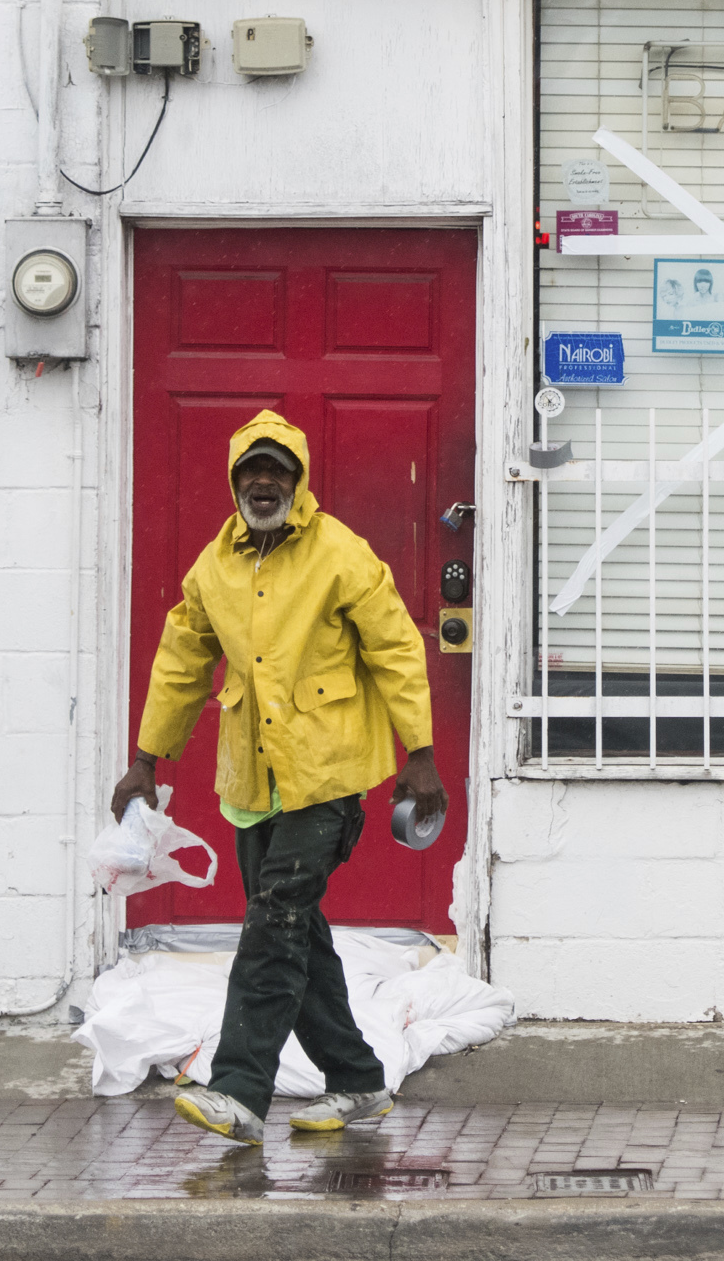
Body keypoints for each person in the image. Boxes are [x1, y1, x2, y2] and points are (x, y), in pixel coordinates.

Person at [109, 410, 446, 1143]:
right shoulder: (215, 564)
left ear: (299, 480)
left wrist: (418, 753)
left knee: (273, 924)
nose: (264, 482)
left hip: (330, 776)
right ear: (234, 482)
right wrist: (146, 759)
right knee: (296, 930)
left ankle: (238, 1089)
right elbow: (181, 661)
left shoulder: (338, 553)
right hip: (255, 782)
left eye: (278, 470)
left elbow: (394, 647)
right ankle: (357, 1083)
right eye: (250, 471)